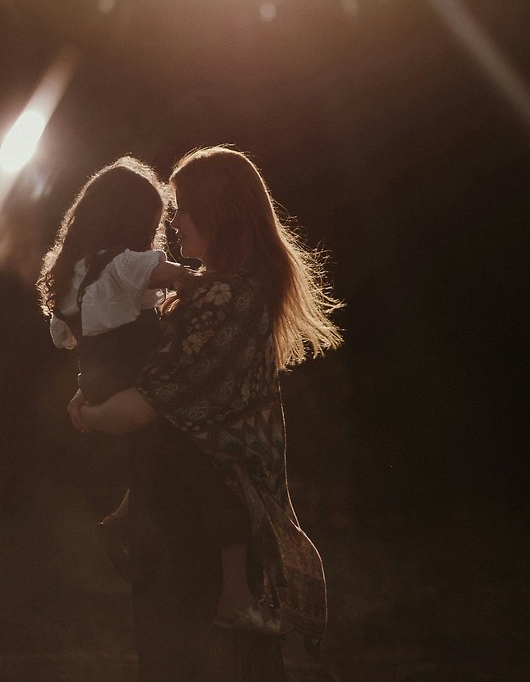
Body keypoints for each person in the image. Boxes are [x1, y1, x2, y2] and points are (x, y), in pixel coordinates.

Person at [69, 146, 342, 680]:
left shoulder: (223, 299)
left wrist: (86, 414)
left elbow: (146, 405)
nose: (174, 224)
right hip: (189, 522)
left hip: (192, 532)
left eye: (184, 210)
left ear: (219, 213)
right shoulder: (225, 293)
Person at [39, 156, 268, 628]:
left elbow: (68, 339)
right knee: (205, 478)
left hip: (98, 377)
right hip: (134, 379)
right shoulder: (128, 265)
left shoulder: (73, 274)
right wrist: (196, 279)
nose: (169, 227)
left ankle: (121, 519)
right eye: (162, 218)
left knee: (153, 457)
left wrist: (87, 395)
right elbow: (174, 276)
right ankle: (235, 593)